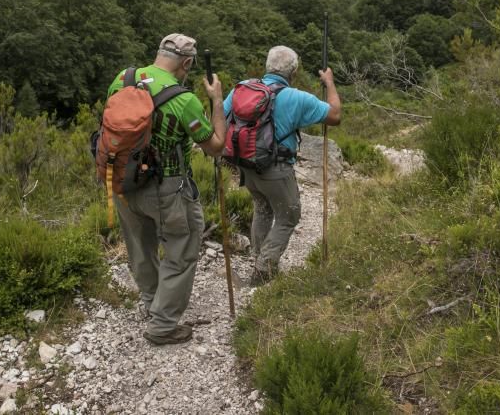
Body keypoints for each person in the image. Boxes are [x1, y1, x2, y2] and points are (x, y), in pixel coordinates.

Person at [105, 33, 225, 345]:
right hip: (166, 186)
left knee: (140, 246)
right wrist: (216, 101)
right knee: (182, 248)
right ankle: (163, 325)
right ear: (186, 63)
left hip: (122, 180)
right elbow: (215, 147)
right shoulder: (183, 99)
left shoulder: (122, 79)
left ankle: (152, 301)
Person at [224, 45, 341, 285]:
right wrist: (329, 83)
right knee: (289, 216)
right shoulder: (296, 97)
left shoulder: (242, 88)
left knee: (262, 208)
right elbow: (335, 116)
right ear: (294, 72)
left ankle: (259, 257)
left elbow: (222, 115)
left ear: (267, 66)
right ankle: (264, 269)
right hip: (275, 168)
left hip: (246, 165)